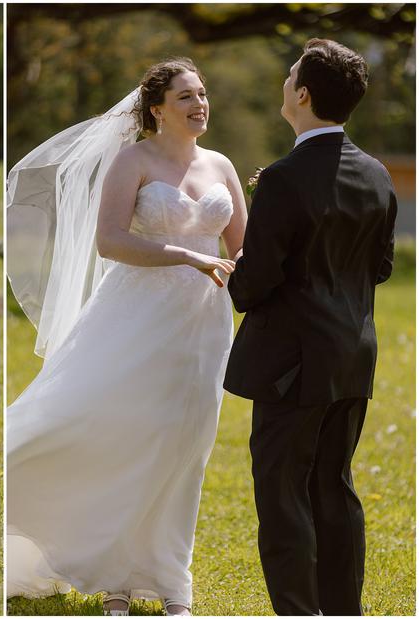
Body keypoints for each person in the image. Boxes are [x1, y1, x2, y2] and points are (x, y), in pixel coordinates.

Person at [6, 59, 247, 616]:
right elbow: (110, 241)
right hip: (133, 318)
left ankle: (168, 581)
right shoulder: (131, 161)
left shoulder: (222, 165)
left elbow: (242, 247)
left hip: (203, 326)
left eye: (203, 94)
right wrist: (186, 255)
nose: (199, 104)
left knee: (184, 447)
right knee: (123, 434)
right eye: (186, 97)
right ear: (157, 109)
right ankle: (114, 578)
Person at [224, 39, 397, 616]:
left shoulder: (282, 178)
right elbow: (382, 267)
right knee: (335, 486)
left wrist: (231, 273)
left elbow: (254, 284)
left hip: (290, 368)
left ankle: (298, 611)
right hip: (352, 357)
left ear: (301, 94)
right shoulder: (376, 174)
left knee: (282, 493)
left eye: (288, 74)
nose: (283, 84)